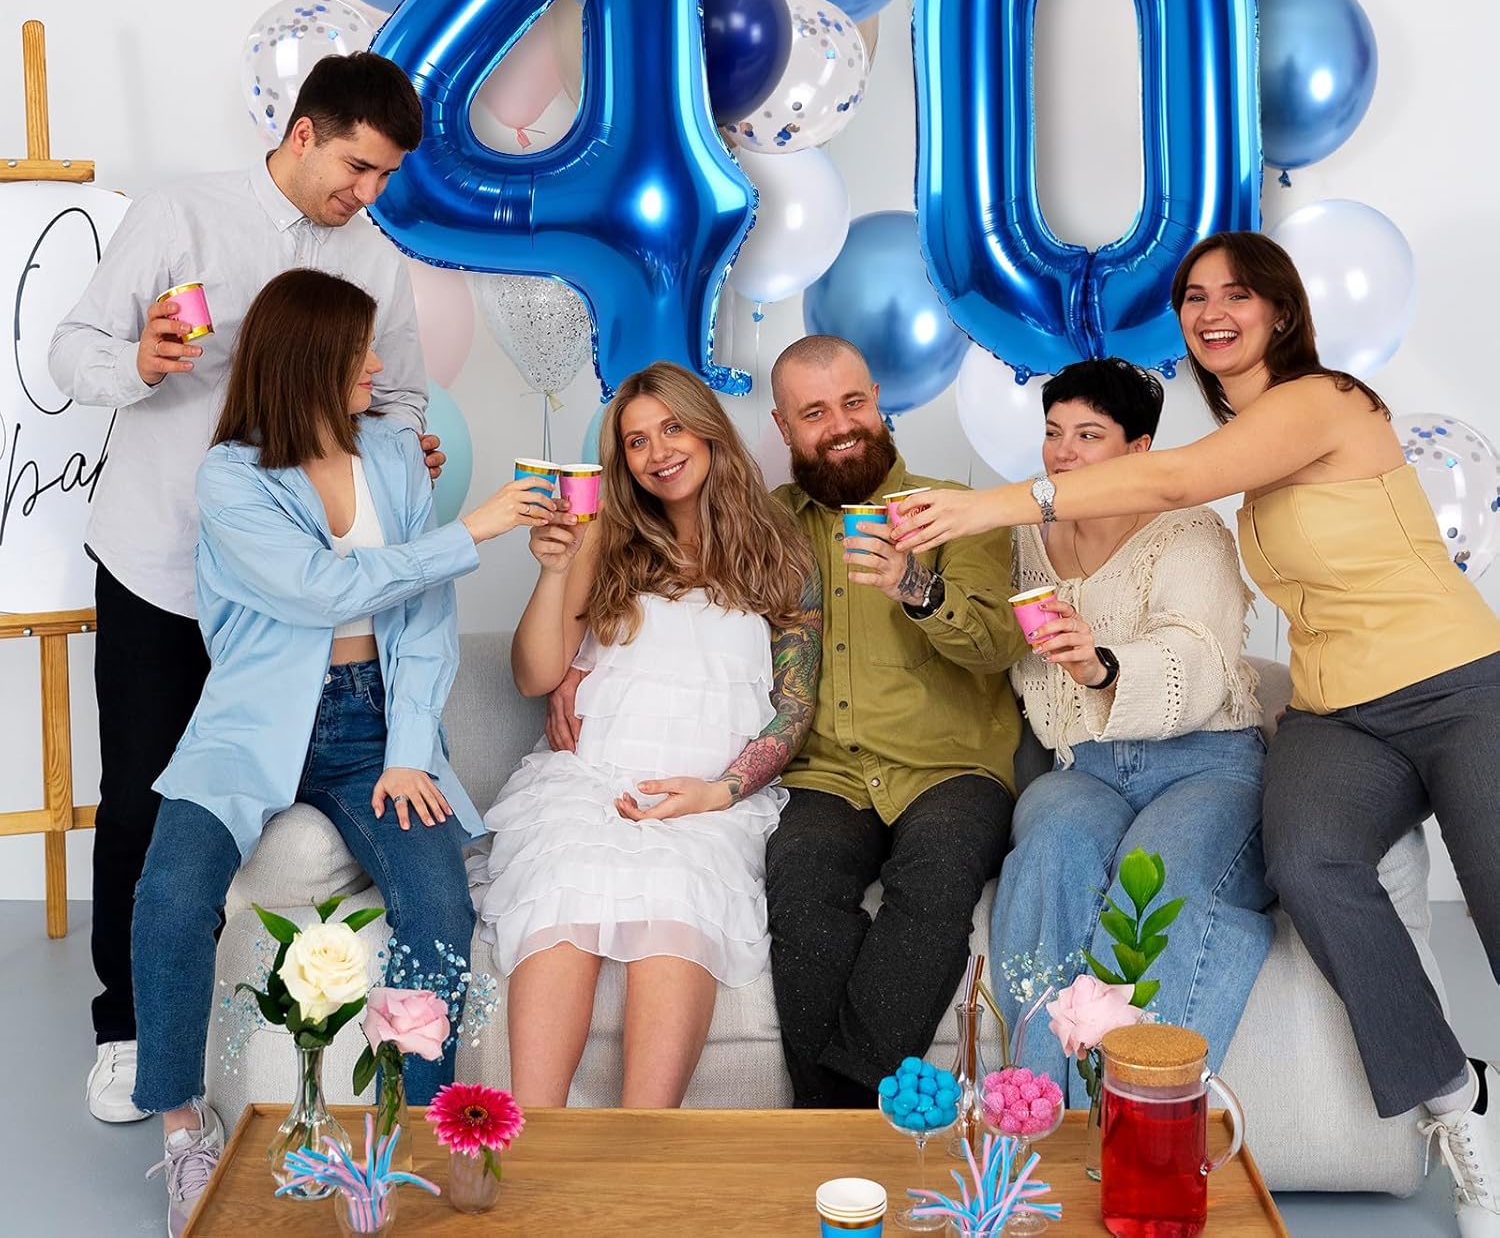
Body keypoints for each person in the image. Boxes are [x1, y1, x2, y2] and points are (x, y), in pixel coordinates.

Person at [895, 232, 1500, 1235]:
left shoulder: (1324, 401)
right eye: (1193, 295)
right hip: (1337, 714)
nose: (1211, 310)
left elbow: (1174, 485)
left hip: (1453, 683)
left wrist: (980, 506)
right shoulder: (1255, 464)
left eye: (1237, 293)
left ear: (1281, 311)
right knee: (1306, 863)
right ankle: (1455, 1098)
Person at [48, 53, 446, 1123]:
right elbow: (71, 352)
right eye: (358, 168)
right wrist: (140, 361)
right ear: (304, 132)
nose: (367, 194)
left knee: (249, 794)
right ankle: (129, 1031)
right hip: (162, 562)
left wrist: (404, 457)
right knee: (142, 794)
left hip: (297, 593)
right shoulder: (182, 215)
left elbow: (400, 399)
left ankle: (245, 1013)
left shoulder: (375, 256)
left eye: (386, 176)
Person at [130, 269, 549, 1237]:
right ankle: (184, 1126)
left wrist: (409, 750)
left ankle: (420, 1127)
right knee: (171, 897)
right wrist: (474, 529)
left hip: (374, 723)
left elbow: (425, 619)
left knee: (438, 903)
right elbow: (318, 588)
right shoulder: (232, 477)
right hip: (252, 722)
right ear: (309, 359)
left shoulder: (395, 453)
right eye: (362, 351)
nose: (380, 365)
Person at [469, 361, 821, 1108]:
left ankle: (640, 1145)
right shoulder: (606, 536)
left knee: (677, 899)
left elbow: (794, 707)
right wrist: (554, 572)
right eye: (636, 441)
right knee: (562, 886)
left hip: (706, 799)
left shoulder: (781, 551)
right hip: (593, 780)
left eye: (672, 428)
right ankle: (535, 1149)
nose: (658, 452)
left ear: (709, 430)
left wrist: (716, 793)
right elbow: (535, 674)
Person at [989, 357, 1272, 1100]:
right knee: (1049, 849)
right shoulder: (1021, 536)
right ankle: (1034, 1106)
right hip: (1085, 770)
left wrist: (1103, 668)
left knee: (1156, 879)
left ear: (1139, 450)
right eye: (1054, 432)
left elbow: (1199, 656)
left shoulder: (1189, 530)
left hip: (1205, 763)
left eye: (1089, 435)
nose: (1063, 452)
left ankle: (1137, 1113)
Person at [759, 334, 1029, 1108]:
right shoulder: (766, 524)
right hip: (824, 774)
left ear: (878, 402)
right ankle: (853, 1127)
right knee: (801, 885)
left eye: (854, 402)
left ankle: (834, 1116)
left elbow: (998, 644)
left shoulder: (958, 511)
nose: (841, 425)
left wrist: (917, 586)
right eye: (815, 412)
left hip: (950, 769)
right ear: (783, 427)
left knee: (934, 880)